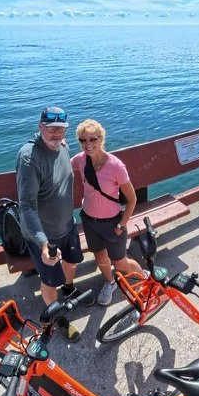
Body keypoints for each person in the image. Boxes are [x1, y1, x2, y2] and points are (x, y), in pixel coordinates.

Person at [16, 106, 84, 333]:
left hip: (67, 224)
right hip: (46, 236)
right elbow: (26, 206)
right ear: (40, 127)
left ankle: (69, 289)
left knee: (72, 263)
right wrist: (43, 244)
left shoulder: (61, 146)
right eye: (51, 128)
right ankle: (57, 316)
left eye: (61, 129)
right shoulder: (29, 158)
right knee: (50, 281)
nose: (56, 133)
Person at [71, 118, 147, 305]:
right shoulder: (79, 161)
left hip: (113, 223)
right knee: (99, 256)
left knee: (120, 262)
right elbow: (62, 166)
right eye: (83, 140)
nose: (88, 144)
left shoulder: (116, 166)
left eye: (93, 139)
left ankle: (145, 279)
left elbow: (132, 199)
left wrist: (122, 224)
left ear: (101, 139)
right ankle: (109, 282)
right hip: (89, 220)